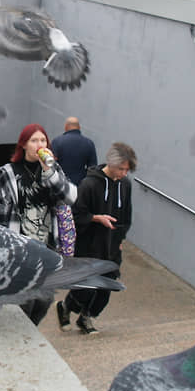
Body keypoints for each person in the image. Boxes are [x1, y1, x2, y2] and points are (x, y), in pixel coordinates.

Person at [0, 124, 77, 325]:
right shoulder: (8, 172)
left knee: (44, 301)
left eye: (43, 140)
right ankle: (22, 337)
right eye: (34, 140)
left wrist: (50, 172)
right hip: (20, 250)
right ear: (23, 145)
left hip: (47, 248)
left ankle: (32, 330)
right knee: (24, 302)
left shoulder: (53, 170)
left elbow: (71, 197)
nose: (40, 144)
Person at [58, 142, 137, 335]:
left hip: (111, 248)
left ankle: (87, 319)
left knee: (106, 288)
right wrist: (95, 218)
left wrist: (120, 239)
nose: (124, 173)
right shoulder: (90, 184)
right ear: (111, 163)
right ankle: (66, 306)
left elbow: (126, 216)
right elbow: (76, 215)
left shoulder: (125, 185)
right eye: (121, 169)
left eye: (127, 170)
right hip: (90, 246)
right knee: (86, 289)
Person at [51, 116, 97, 185]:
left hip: (60, 186)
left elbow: (51, 166)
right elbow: (93, 168)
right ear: (79, 127)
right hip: (80, 187)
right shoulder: (89, 143)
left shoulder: (56, 142)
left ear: (66, 127)